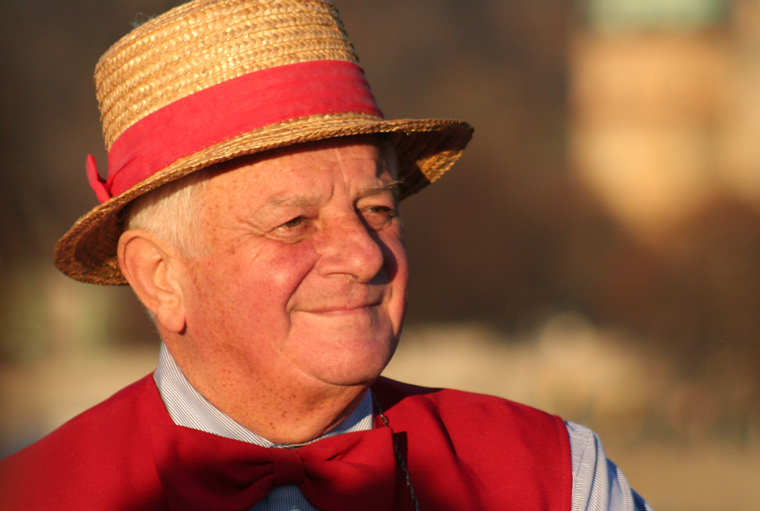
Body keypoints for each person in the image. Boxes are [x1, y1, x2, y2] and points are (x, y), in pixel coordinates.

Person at [0, 1, 653, 510]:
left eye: (378, 209)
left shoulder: (557, 476)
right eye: (294, 223)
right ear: (160, 276)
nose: (365, 256)